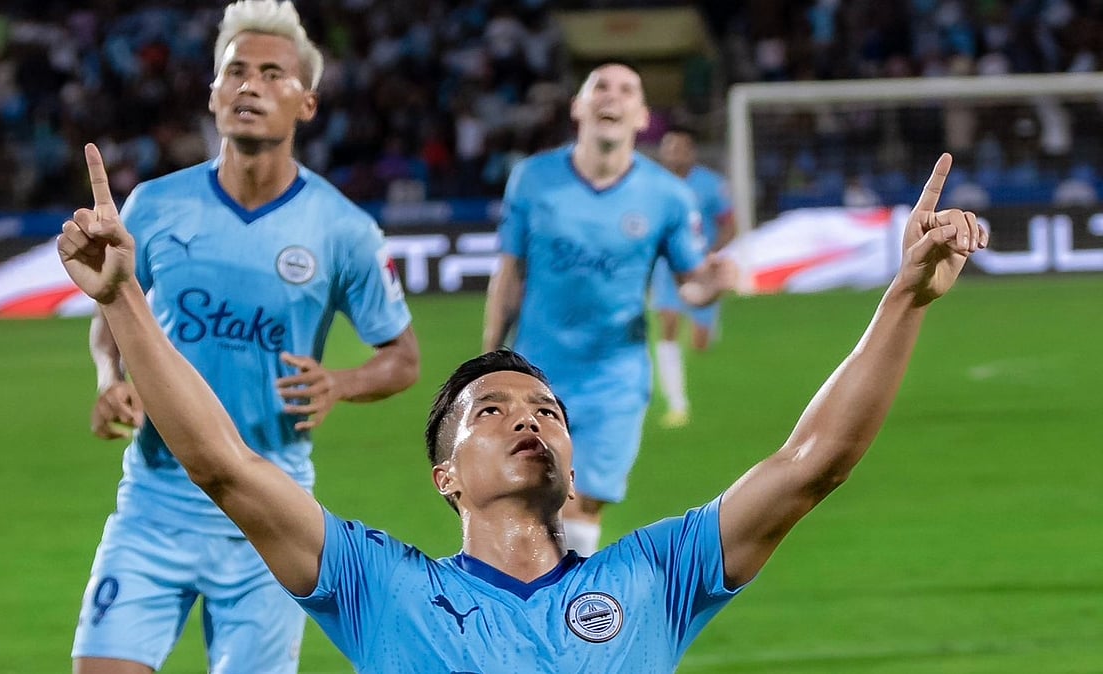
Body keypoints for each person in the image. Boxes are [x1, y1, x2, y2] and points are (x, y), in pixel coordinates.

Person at [59, 144, 987, 672]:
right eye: (490, 410)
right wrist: (123, 301)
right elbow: (225, 463)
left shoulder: (655, 576)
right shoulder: (382, 587)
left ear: (571, 461)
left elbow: (812, 460)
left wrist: (903, 297)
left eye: (546, 410)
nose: (529, 418)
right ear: (444, 477)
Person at [71, 2, 420, 673]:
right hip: (154, 502)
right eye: (235, 72)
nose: (250, 85)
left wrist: (340, 384)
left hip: (271, 511)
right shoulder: (153, 206)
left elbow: (403, 357)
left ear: (307, 104)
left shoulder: (343, 229)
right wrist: (110, 383)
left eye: (271, 73)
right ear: (212, 95)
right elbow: (110, 320)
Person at [481, 63, 737, 555]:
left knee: (582, 501)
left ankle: (560, 611)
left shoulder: (666, 196)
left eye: (626, 91)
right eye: (599, 86)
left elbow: (690, 288)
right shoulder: (533, 180)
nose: (611, 97)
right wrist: (486, 366)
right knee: (537, 499)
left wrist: (715, 286)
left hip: (614, 380)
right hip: (536, 373)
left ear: (641, 117)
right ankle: (566, 614)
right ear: (579, 107)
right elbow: (509, 274)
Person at [648, 125, 736, 429]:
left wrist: (713, 253)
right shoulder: (652, 186)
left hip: (702, 270)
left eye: (681, 148)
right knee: (668, 327)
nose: (675, 153)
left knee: (700, 344)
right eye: (670, 147)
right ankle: (677, 404)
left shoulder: (711, 184)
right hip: (666, 269)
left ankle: (710, 324)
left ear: (691, 151)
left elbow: (728, 224)